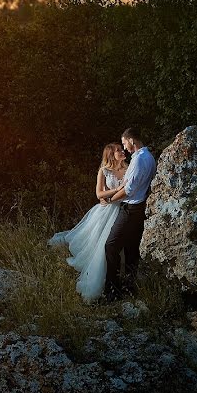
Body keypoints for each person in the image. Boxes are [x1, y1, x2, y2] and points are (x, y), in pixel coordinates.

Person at [48, 142, 127, 302]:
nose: (122, 151)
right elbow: (99, 194)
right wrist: (118, 190)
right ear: (111, 155)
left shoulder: (129, 168)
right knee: (100, 244)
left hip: (123, 209)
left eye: (121, 148)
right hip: (106, 211)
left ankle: (121, 277)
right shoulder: (104, 171)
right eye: (118, 150)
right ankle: (101, 279)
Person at [103, 127, 156, 300]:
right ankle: (129, 287)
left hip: (131, 209)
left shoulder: (139, 160)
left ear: (132, 140)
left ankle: (112, 291)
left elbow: (128, 190)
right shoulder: (149, 157)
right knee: (131, 249)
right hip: (139, 209)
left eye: (125, 143)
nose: (124, 148)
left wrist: (111, 200)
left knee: (111, 246)